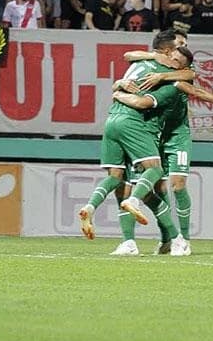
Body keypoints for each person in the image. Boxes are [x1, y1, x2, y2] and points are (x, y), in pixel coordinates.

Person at [128, 35, 213, 254]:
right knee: (156, 189)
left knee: (178, 184)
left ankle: (183, 238)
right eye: (179, 46)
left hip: (178, 135)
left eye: (184, 45)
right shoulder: (151, 63)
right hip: (154, 133)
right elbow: (128, 55)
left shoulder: (181, 70)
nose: (184, 49)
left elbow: (194, 85)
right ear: (167, 51)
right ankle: (167, 237)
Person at [79, 32, 185, 256]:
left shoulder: (140, 63)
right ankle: (174, 238)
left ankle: (94, 209)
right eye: (177, 48)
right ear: (166, 52)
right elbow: (143, 102)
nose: (178, 53)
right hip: (137, 127)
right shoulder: (170, 77)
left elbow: (128, 58)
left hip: (112, 120)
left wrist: (118, 90)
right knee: (154, 176)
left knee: (118, 181)